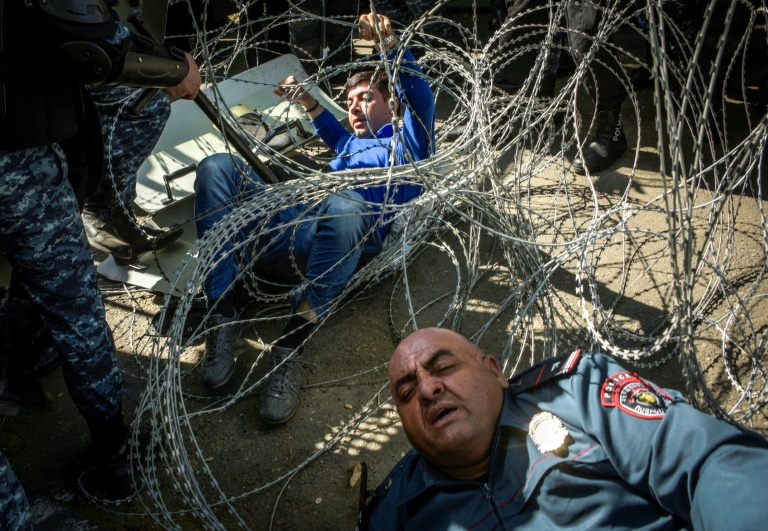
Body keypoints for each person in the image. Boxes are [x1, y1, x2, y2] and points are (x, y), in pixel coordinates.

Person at [0, 0, 199, 522]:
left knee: (39, 280)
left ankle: (18, 357)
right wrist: (177, 70)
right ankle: (113, 449)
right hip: (15, 164)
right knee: (74, 306)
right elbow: (96, 46)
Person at [193, 11, 435, 425]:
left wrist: (389, 47)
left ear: (391, 103)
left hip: (336, 241)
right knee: (218, 166)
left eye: (366, 98)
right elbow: (333, 131)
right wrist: (306, 99)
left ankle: (288, 348)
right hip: (289, 228)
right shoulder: (347, 147)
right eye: (349, 102)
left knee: (345, 202)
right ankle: (222, 309)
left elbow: (420, 95)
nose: (354, 107)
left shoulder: (408, 148)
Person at [360, 327, 768, 529]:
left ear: (495, 371)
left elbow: (703, 462)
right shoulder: (396, 513)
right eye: (407, 392)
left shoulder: (577, 395)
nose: (428, 390)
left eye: (443, 367)